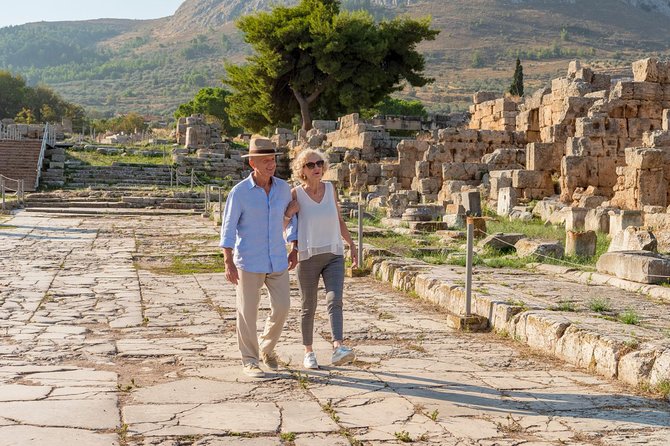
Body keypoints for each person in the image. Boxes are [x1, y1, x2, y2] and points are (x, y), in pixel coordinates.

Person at [220, 137, 299, 378]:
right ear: (252, 163)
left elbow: (291, 218)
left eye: (273, 159)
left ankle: (266, 348)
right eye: (265, 160)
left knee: (283, 307)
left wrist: (294, 247)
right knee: (247, 311)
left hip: (277, 258)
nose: (271, 164)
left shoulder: (284, 188)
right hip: (249, 260)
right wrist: (227, 260)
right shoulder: (240, 192)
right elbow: (228, 226)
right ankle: (250, 360)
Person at [287, 148, 358, 369]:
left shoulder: (331, 189)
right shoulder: (295, 194)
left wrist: (352, 245)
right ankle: (308, 351)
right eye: (311, 165)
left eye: (319, 163)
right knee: (308, 306)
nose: (317, 168)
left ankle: (338, 347)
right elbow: (284, 226)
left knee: (334, 299)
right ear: (302, 170)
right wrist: (289, 212)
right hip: (307, 256)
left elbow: (338, 219)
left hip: (334, 254)